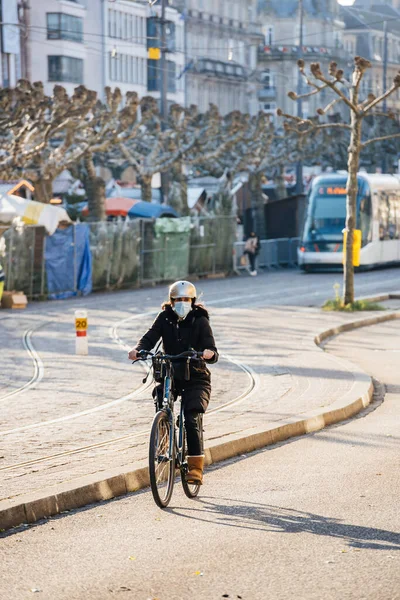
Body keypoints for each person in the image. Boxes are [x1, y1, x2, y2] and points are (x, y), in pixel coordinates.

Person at [128, 280, 218, 485]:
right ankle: (164, 436)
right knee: (160, 396)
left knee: (192, 415)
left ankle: (195, 467)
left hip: (196, 376)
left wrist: (208, 353)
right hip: (171, 373)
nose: (182, 303)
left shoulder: (200, 320)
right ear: (171, 301)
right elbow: (149, 337)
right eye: (178, 300)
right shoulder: (164, 318)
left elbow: (212, 348)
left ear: (193, 301)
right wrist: (139, 349)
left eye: (186, 299)